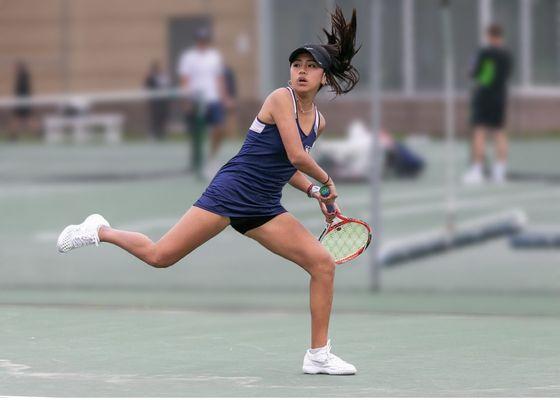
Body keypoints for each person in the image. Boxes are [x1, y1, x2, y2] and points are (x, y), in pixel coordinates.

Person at [57, 6, 360, 375]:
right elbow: (297, 155)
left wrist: (314, 191)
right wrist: (327, 182)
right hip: (230, 193)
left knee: (322, 264)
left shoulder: (319, 122)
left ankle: (318, 355)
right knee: (160, 256)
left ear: (324, 77)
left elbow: (285, 167)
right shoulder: (281, 99)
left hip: (264, 206)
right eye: (296, 64)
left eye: (310, 66)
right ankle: (98, 230)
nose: (301, 70)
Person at [177, 27, 232, 179]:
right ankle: (197, 163)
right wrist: (186, 99)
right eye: (200, 40)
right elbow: (185, 79)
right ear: (197, 41)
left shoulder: (214, 56)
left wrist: (225, 97)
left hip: (213, 99)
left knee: (220, 128)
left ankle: (211, 158)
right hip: (196, 100)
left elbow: (219, 79)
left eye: (204, 40)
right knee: (196, 134)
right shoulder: (188, 57)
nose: (202, 43)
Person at [463, 24, 513, 185]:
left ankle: (477, 169)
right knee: (500, 132)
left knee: (479, 131)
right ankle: (500, 170)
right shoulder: (507, 55)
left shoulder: (484, 52)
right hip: (500, 97)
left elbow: (474, 73)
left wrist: (475, 75)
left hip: (484, 96)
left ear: (489, 36)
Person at [144, 60, 171, 141]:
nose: (157, 70)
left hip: (163, 102)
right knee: (154, 118)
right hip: (154, 102)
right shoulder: (150, 78)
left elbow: (168, 87)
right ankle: (153, 134)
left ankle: (162, 134)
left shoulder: (164, 77)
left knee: (163, 118)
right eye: (155, 69)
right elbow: (147, 87)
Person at [9, 61, 36, 141]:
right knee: (23, 119)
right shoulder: (21, 76)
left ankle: (13, 136)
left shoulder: (24, 77)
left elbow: (24, 91)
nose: (14, 69)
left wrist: (21, 101)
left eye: (16, 67)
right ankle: (13, 136)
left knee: (24, 119)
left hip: (23, 102)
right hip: (21, 102)